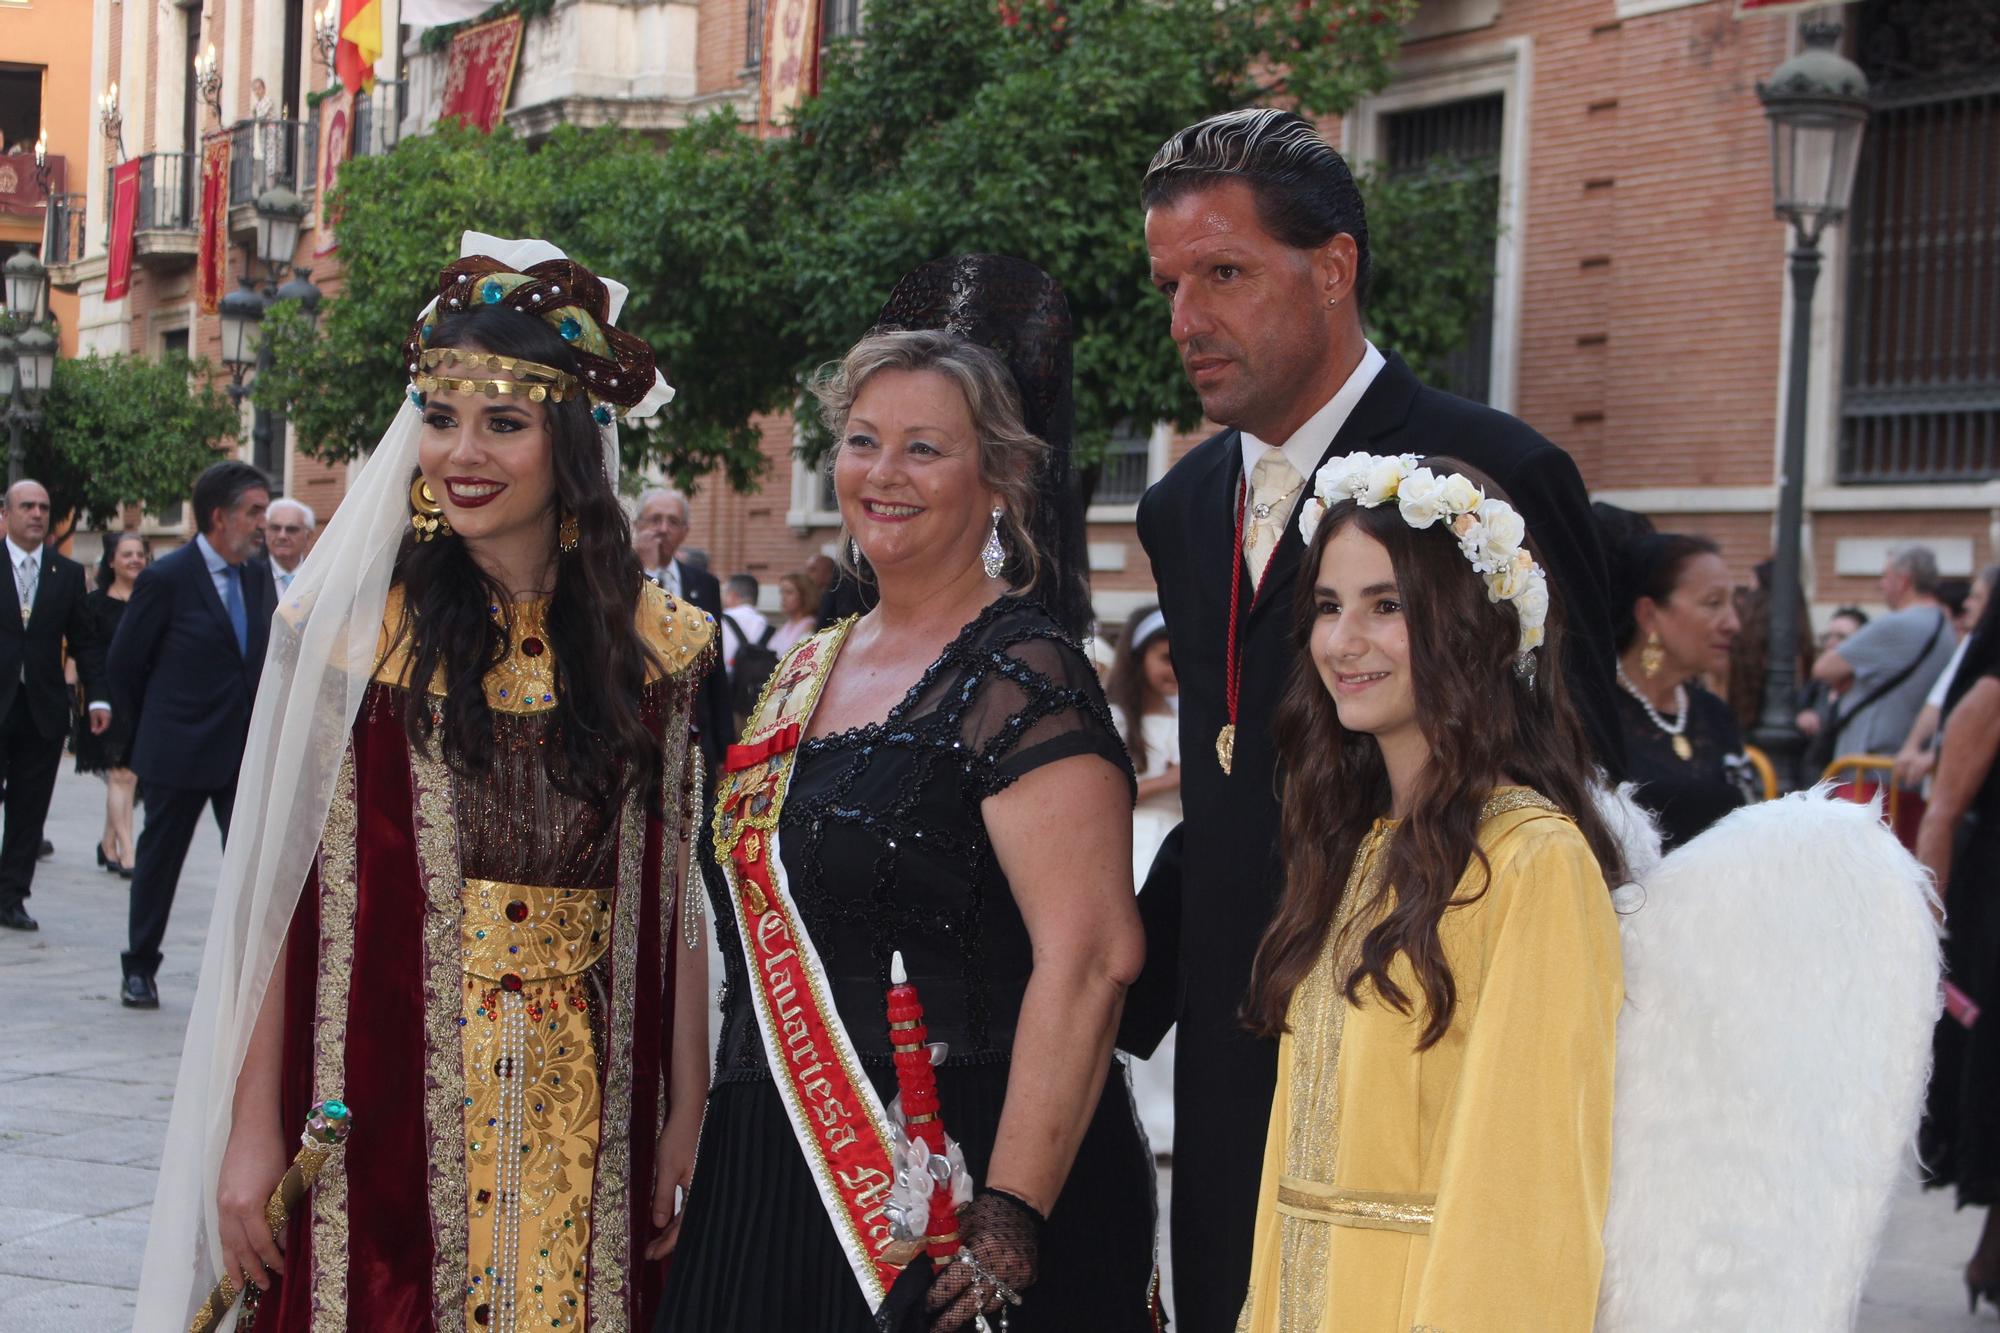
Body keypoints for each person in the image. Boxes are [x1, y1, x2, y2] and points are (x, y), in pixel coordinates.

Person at [134, 235, 709, 1332]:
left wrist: (684, 1108)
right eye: (439, 418)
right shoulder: (351, 640)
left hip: (600, 1115)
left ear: (571, 439)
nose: (461, 452)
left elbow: (673, 888)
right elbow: (277, 900)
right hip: (382, 1100)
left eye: (503, 421)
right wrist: (249, 1133)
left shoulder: (660, 648)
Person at [1126, 106, 1624, 1326]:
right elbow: (1228, 787)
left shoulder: (1489, 473)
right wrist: (1098, 1008)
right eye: (1171, 284)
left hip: (1424, 1072)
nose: (1188, 319)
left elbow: (1578, 776)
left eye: (1225, 273)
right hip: (1239, 1075)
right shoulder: (1183, 505)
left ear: (1333, 267)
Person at [659, 260, 1153, 1332]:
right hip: (767, 1165)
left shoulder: (1022, 669)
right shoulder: (804, 665)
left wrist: (1009, 1217)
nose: (882, 472)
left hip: (953, 1178)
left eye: (924, 448)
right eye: (861, 440)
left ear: (999, 481)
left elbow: (1093, 953)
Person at [1235, 453, 1622, 1329]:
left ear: (1469, 625)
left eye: (1387, 605)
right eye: (1329, 607)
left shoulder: (1533, 862)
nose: (1343, 640)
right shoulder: (1354, 848)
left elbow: (1531, 1198)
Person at [109, 461, 272, 1008]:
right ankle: (139, 967)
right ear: (219, 517)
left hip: (240, 752)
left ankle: (248, 975)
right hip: (177, 751)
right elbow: (126, 664)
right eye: (253, 512)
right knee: (159, 865)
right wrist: (142, 742)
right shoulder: (166, 578)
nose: (261, 524)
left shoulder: (256, 573)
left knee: (251, 868)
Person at [1600, 512, 1758, 849]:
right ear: (1649, 615)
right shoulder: (1595, 715)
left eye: (1733, 603)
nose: (1732, 623)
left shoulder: (1713, 713)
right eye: (1713, 603)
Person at [0, 480, 112, 931]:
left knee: (29, 809)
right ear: (5, 513)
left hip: (41, 709)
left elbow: (85, 641)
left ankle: (11, 897)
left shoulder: (65, 574)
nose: (37, 514)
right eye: (27, 505)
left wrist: (98, 695)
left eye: (44, 507)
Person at [1810, 542, 1956, 841]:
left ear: (1903, 581)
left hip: (1869, 781)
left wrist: (1848, 678)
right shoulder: (1946, 627)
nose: (1880, 584)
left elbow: (1824, 668)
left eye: (1885, 576)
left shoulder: (1898, 624)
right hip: (1909, 780)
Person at [1103, 604, 1180, 1165]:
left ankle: (1173, 1116)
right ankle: (1140, 1116)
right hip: (1138, 848)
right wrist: (1175, 779)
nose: (1171, 669)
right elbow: (1117, 790)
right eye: (1162, 657)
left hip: (1180, 846)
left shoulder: (1197, 713)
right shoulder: (1116, 717)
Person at [636, 486, 733, 771]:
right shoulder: (618, 577)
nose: (663, 529)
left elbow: (715, 667)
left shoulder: (704, 584)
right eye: (654, 520)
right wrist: (647, 572)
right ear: (638, 525)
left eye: (673, 522)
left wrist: (725, 746)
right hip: (638, 735)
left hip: (694, 739)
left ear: (685, 532)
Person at [73, 531, 149, 878]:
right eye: (127, 554)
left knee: (129, 779)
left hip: (147, 700)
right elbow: (90, 657)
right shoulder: (94, 604)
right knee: (122, 776)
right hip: (109, 700)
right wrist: (97, 699)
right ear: (112, 561)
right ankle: (129, 853)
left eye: (140, 554)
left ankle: (107, 843)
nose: (135, 559)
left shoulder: (151, 601)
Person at [1896, 565, 2000, 791]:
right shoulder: (1972, 644)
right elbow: (1937, 701)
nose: (1966, 604)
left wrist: (1938, 755)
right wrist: (1911, 747)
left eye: (1976, 597)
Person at [1796, 605, 1868, 741]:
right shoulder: (1816, 686)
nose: (1831, 643)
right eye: (1828, 636)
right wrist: (1802, 715)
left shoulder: (1863, 689)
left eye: (1842, 637)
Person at [717, 572, 771, 676]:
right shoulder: (764, 623)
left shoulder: (721, 620)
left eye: (724, 593)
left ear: (732, 595)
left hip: (727, 683)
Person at [262, 498, 315, 595]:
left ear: (308, 536)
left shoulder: (319, 579)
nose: (282, 536)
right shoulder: (250, 578)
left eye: (291, 529)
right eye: (275, 528)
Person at [768, 569, 821, 654]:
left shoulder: (809, 626)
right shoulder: (788, 624)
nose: (783, 598)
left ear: (804, 596)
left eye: (789, 592)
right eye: (781, 592)